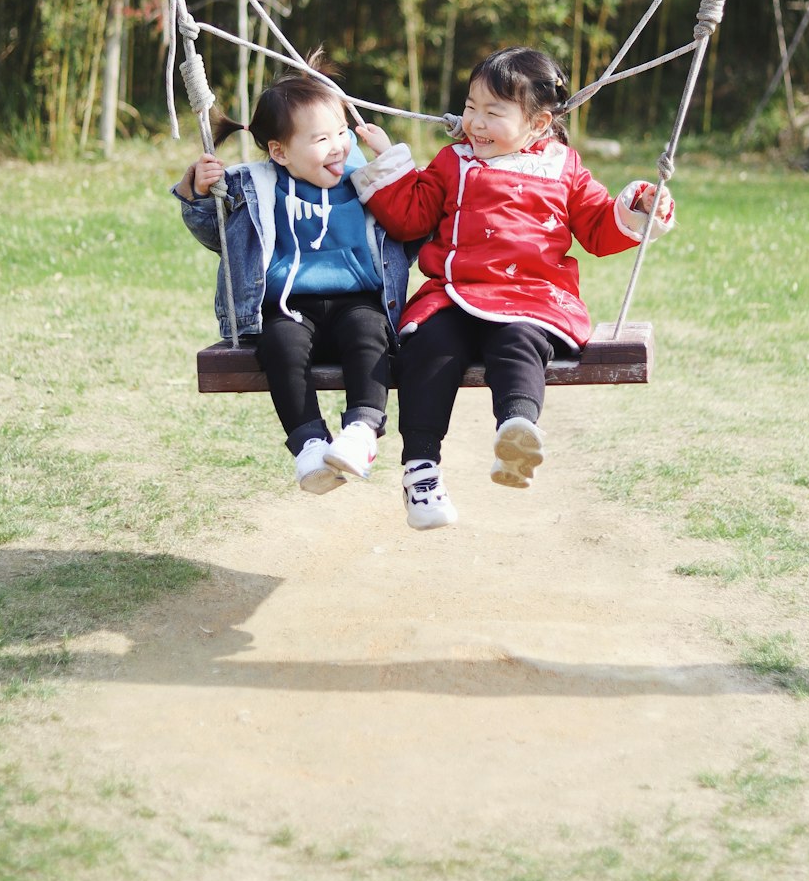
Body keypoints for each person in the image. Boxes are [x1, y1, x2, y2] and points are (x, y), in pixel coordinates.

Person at [352, 46, 675, 530]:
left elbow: (597, 226)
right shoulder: (453, 161)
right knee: (428, 347)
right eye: (470, 107)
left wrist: (638, 208)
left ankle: (516, 430)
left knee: (519, 341)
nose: (476, 123)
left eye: (493, 112)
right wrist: (389, 162)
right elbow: (410, 216)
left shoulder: (563, 166)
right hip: (456, 292)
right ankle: (421, 470)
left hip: (532, 296)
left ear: (540, 123)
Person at [173, 66, 410, 496]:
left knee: (369, 332)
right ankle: (309, 446)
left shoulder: (366, 179)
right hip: (288, 307)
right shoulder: (257, 185)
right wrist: (199, 196)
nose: (339, 147)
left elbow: (411, 224)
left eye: (342, 132)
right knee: (280, 346)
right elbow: (221, 238)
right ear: (281, 152)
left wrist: (390, 165)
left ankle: (361, 432)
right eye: (322, 140)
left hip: (356, 301)